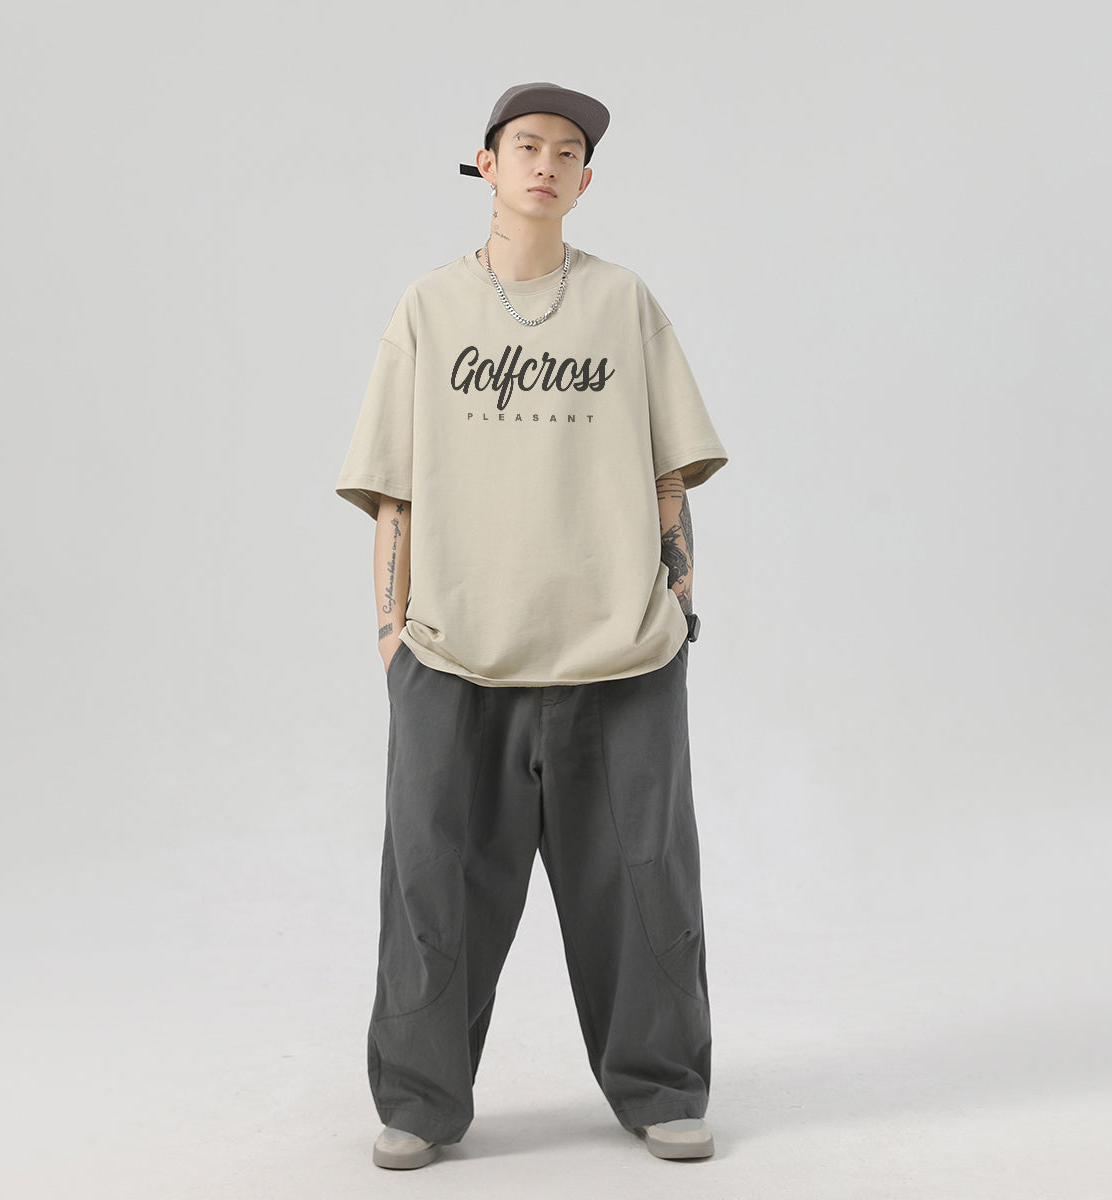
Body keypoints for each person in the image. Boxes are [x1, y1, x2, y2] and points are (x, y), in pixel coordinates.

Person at [334, 82, 728, 1170]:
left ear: (585, 181)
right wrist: (391, 636)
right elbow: (392, 488)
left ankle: (662, 1086)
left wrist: (678, 605)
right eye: (525, 146)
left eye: (565, 152)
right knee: (433, 885)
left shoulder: (624, 302)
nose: (545, 164)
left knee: (644, 881)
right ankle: (419, 1100)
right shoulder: (428, 308)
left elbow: (668, 471)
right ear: (487, 163)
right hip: (454, 652)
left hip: (620, 655)